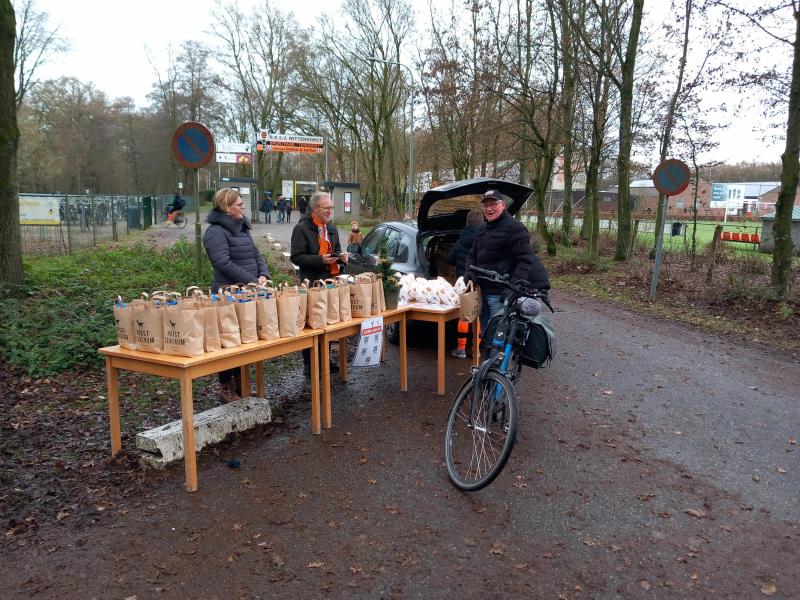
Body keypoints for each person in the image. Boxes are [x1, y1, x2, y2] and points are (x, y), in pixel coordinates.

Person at [202, 188, 270, 403]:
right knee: (228, 341)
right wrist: (251, 280)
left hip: (248, 294)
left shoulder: (242, 228)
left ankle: (241, 383)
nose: (243, 207)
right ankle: (226, 386)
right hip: (227, 295)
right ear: (226, 207)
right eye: (239, 204)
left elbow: (255, 253)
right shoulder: (215, 232)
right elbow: (222, 263)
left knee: (245, 338)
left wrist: (263, 275)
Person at [464, 189, 538, 354]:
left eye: (493, 204)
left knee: (496, 342)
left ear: (503, 205)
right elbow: (471, 255)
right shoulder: (482, 229)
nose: (489, 209)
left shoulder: (515, 228)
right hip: (481, 292)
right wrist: (469, 273)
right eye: (486, 205)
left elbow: (525, 260)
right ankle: (487, 374)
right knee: (486, 335)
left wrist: (512, 287)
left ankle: (494, 376)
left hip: (500, 295)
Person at [290, 191, 348, 376]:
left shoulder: (332, 228)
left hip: (331, 280)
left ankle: (325, 359)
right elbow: (297, 257)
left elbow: (336, 250)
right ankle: (309, 364)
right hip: (312, 282)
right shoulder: (301, 229)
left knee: (328, 320)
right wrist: (320, 260)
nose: (330, 211)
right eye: (326, 208)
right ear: (315, 209)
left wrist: (341, 257)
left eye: (331, 207)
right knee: (312, 323)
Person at [447, 209, 484, 358]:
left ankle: (461, 349)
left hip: (464, 282)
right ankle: (477, 349)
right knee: (478, 314)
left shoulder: (461, 240)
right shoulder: (485, 239)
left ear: (467, 223)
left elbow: (449, 259)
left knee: (464, 315)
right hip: (480, 282)